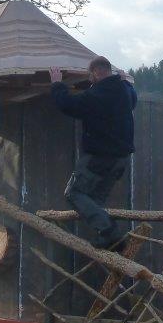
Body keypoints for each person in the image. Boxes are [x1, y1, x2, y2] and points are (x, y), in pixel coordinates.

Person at [49, 56, 137, 248]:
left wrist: (57, 84)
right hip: (121, 160)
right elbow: (133, 97)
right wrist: (126, 82)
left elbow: (67, 104)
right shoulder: (124, 90)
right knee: (95, 201)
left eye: (90, 76)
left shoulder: (96, 95)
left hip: (99, 158)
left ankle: (110, 233)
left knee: (74, 193)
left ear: (96, 72)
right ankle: (107, 239)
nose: (90, 80)